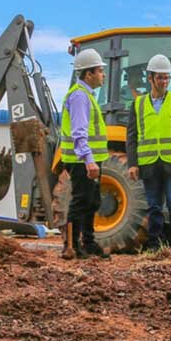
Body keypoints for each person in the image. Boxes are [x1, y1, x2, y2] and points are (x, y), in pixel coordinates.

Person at [126, 54, 171, 254]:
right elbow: (132, 136)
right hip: (148, 164)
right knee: (154, 206)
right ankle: (155, 244)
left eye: (167, 78)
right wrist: (133, 163)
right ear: (150, 78)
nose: (164, 82)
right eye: (160, 78)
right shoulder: (138, 104)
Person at [59, 48, 110, 259]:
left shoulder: (86, 95)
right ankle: (71, 246)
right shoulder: (80, 96)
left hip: (88, 159)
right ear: (88, 74)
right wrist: (89, 161)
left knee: (92, 200)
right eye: (100, 71)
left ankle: (88, 242)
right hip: (81, 160)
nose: (103, 75)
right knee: (81, 200)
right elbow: (79, 133)